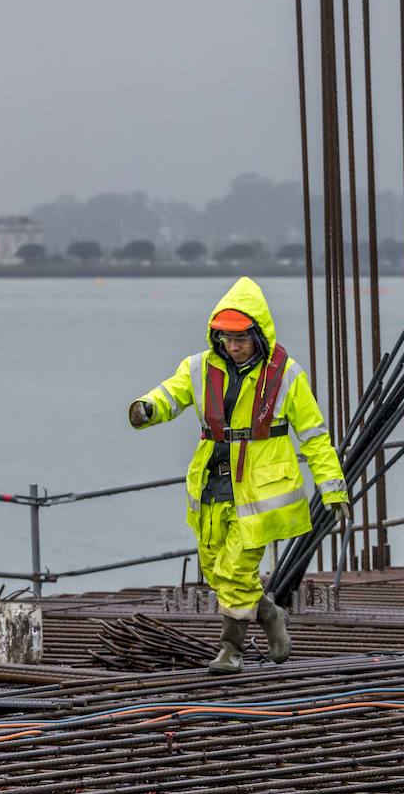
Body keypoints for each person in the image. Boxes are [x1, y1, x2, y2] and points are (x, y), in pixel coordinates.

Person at [128, 276, 350, 673]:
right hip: (212, 480)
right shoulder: (198, 367)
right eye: (226, 337)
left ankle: (231, 649)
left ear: (259, 336)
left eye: (242, 337)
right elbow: (171, 394)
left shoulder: (287, 375)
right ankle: (269, 615)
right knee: (215, 569)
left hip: (260, 488)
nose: (233, 345)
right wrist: (146, 408)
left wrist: (333, 489)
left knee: (236, 570)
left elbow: (315, 436)